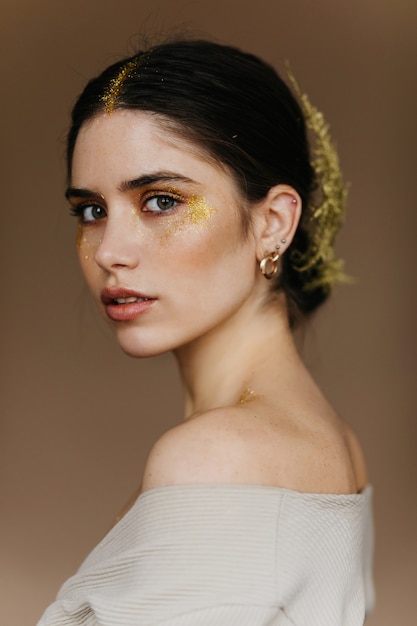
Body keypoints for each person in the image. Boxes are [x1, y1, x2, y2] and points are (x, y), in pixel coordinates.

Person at [37, 38, 374, 625]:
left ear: (273, 223)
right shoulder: (334, 444)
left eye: (160, 201)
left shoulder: (216, 458)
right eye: (91, 210)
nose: (110, 251)